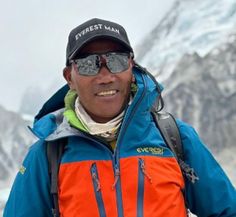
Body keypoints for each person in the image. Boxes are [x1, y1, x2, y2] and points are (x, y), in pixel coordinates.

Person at [3, 18, 236, 217]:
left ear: (131, 69)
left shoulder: (175, 138)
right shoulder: (49, 154)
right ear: (69, 77)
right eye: (87, 64)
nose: (105, 76)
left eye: (117, 60)